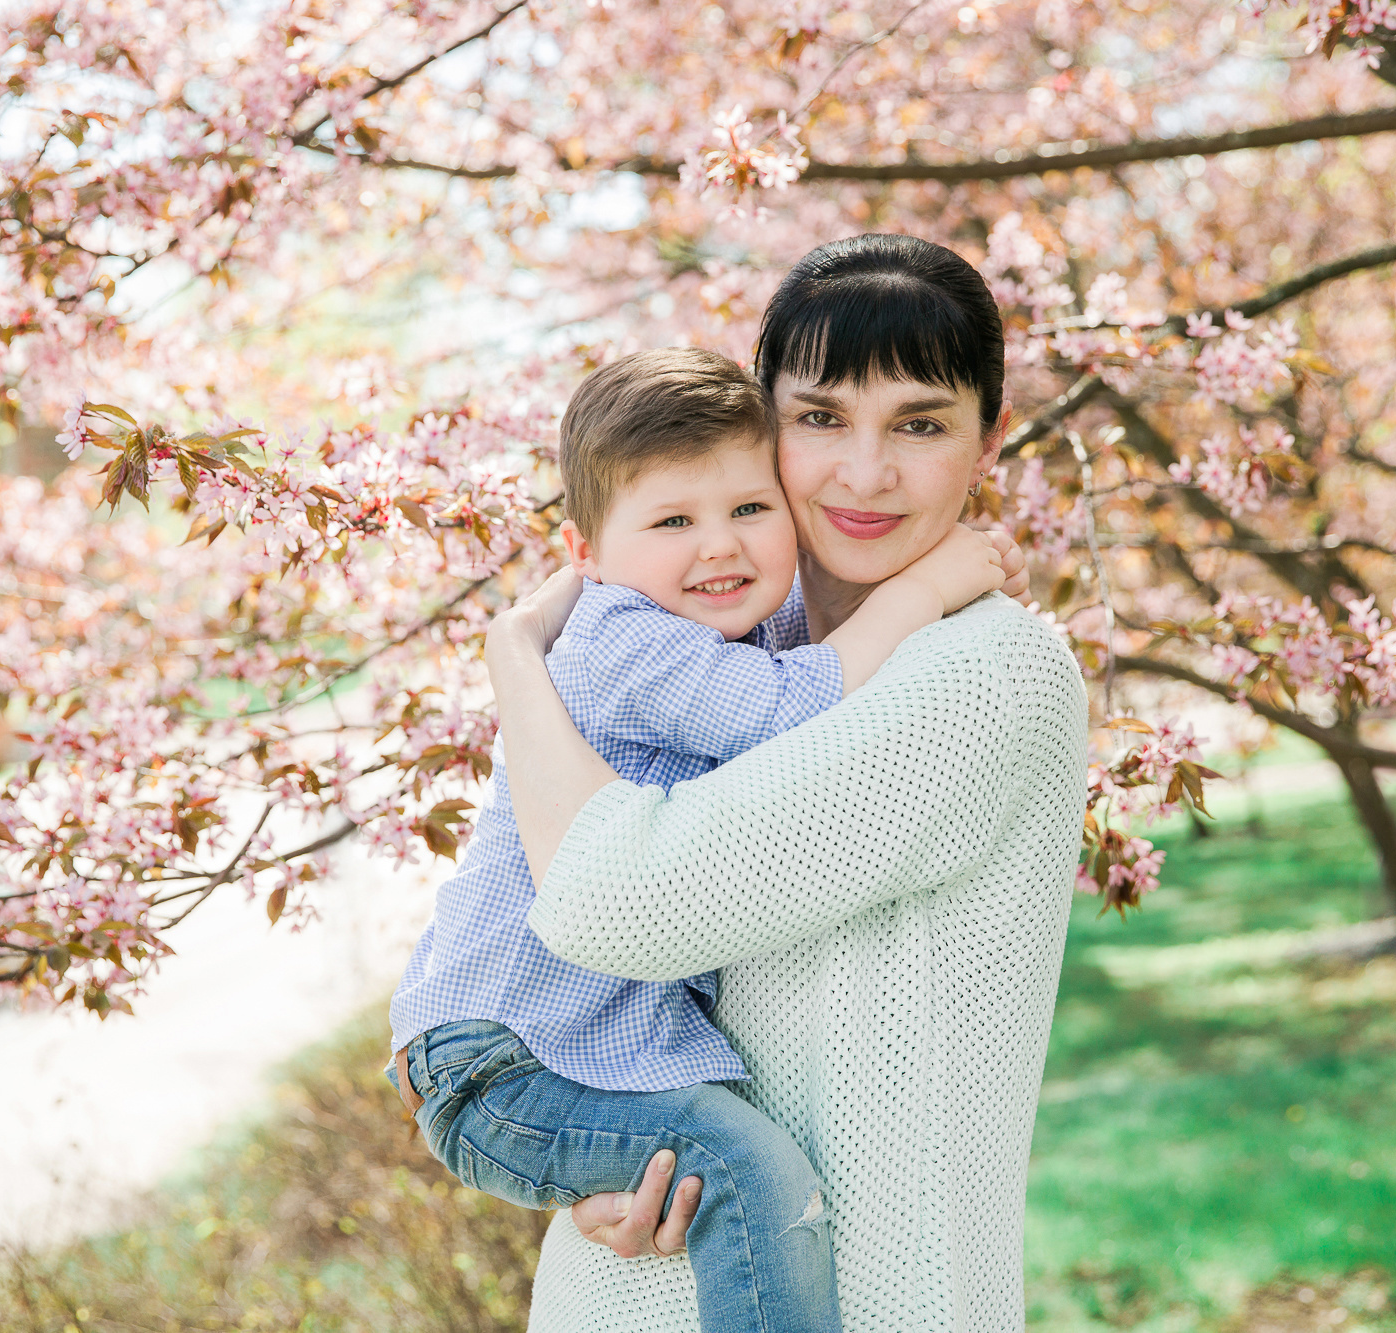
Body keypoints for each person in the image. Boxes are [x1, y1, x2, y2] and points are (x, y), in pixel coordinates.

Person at [483, 234, 1092, 1332]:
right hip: (640, 1287)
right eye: (819, 419)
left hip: (880, 1296)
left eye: (919, 423)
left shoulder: (980, 675)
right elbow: (558, 974)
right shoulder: (726, 655)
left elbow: (603, 898)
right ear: (762, 430)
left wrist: (516, 660)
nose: (865, 473)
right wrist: (592, 1150)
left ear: (986, 438)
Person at [387, 346, 1023, 1333]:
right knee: (747, 1172)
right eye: (672, 521)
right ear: (584, 554)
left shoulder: (723, 625)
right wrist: (918, 593)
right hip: (506, 1061)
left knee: (723, 1170)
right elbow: (785, 714)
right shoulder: (630, 637)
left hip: (551, 1050)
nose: (718, 546)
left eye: (748, 509)